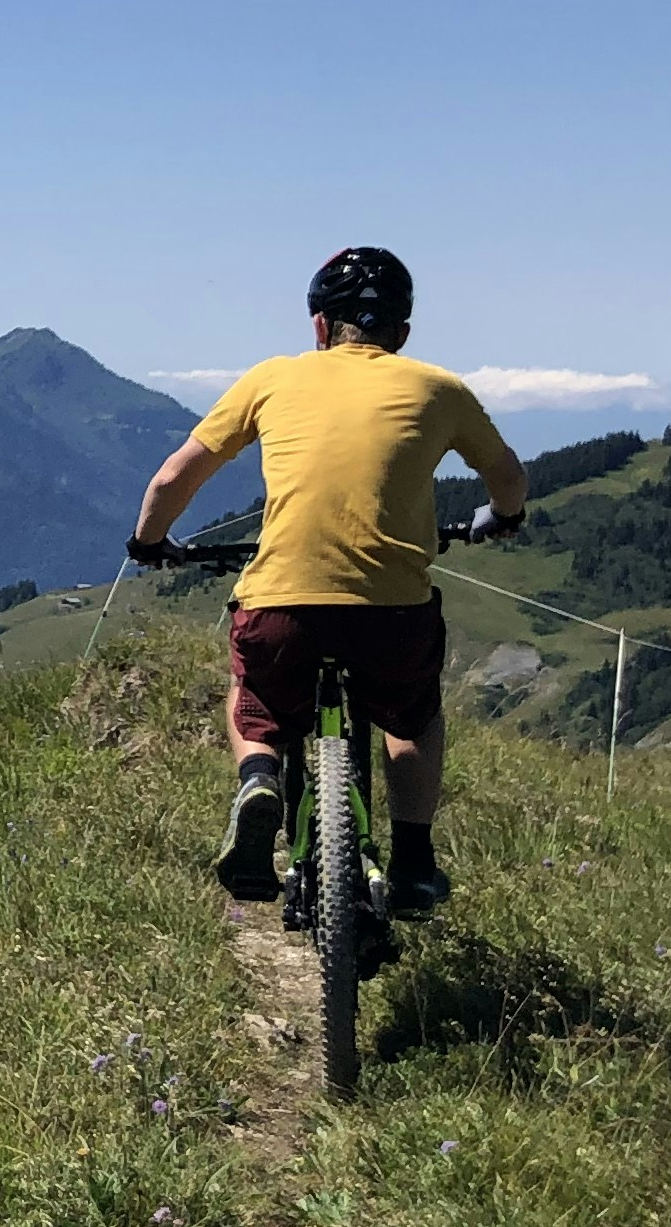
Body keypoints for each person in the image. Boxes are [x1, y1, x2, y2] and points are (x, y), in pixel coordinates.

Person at [124, 246, 526, 911]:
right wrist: (501, 518)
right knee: (412, 717)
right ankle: (417, 865)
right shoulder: (440, 388)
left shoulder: (272, 379)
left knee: (256, 701)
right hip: (392, 613)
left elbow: (173, 477)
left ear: (319, 327)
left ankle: (258, 777)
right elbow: (508, 478)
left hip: (282, 606)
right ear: (401, 334)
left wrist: (148, 541)